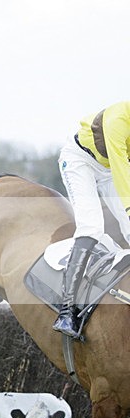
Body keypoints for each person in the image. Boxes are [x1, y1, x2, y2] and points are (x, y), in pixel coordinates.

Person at [53, 100, 130, 337]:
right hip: (80, 161)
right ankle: (67, 311)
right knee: (91, 227)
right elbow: (121, 170)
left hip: (109, 167)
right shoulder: (119, 120)